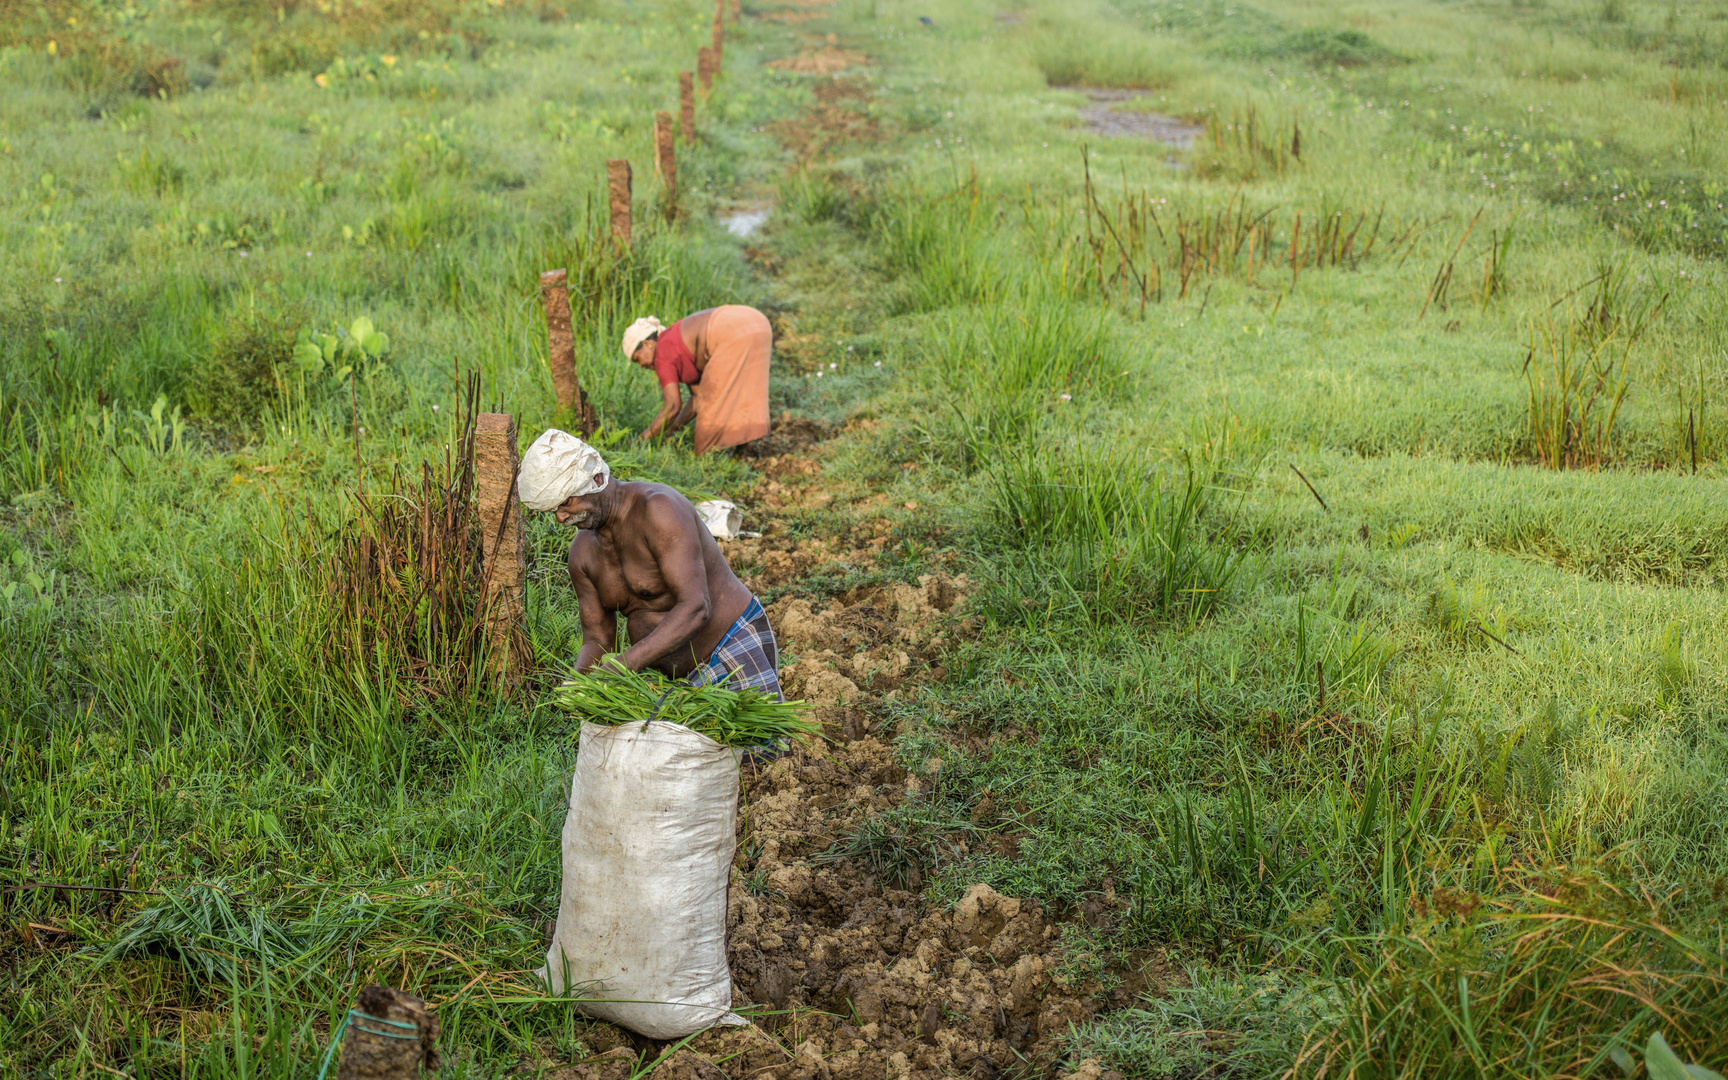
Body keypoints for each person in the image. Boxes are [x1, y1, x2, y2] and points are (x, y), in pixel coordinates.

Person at [516, 428, 783, 700]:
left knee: (756, 743)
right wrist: (582, 685)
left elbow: (696, 607)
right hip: (663, 677)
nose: (561, 518)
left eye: (565, 504)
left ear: (595, 478)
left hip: (727, 645)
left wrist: (627, 663)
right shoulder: (582, 554)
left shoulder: (658, 510)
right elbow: (597, 637)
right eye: (554, 511)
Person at [621, 305, 772, 454]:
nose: (640, 366)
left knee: (705, 436)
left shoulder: (662, 352)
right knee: (738, 392)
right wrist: (671, 431)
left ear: (647, 344)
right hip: (756, 321)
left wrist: (640, 440)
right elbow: (697, 398)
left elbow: (673, 406)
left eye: (637, 359)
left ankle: (713, 462)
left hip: (730, 330)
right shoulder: (673, 341)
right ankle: (742, 450)